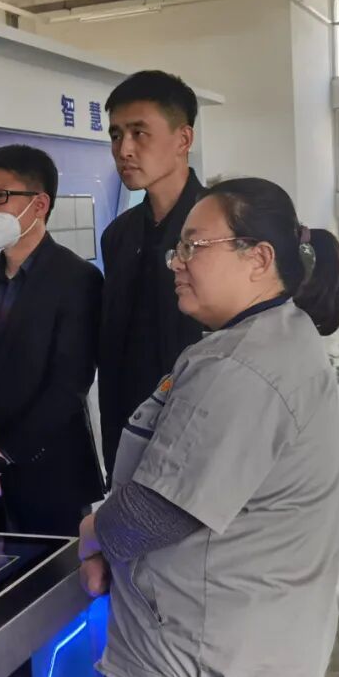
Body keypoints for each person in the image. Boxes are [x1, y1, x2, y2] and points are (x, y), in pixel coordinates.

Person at [79, 178, 339, 677]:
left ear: (259, 258)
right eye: (177, 248)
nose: (176, 263)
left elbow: (154, 514)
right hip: (248, 662)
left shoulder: (242, 366)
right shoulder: (272, 336)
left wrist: (91, 534)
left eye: (194, 246)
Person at [0, 144, 104, 535]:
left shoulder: (78, 279)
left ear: (39, 204)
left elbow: (68, 385)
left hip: (48, 472)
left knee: (55, 572)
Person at [99, 70, 207, 478]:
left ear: (183, 139)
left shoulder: (224, 231)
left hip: (198, 442)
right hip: (127, 439)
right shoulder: (118, 235)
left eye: (139, 133)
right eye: (116, 135)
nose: (124, 149)